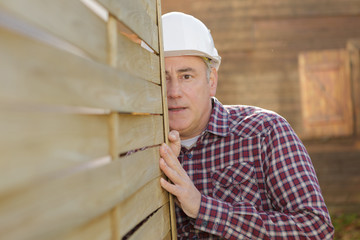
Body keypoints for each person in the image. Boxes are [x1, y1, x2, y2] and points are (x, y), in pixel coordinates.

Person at [159, 12, 334, 239]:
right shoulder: (142, 150)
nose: (174, 92)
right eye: (164, 78)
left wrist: (203, 208)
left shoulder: (265, 132)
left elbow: (316, 230)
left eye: (186, 76)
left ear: (211, 81)